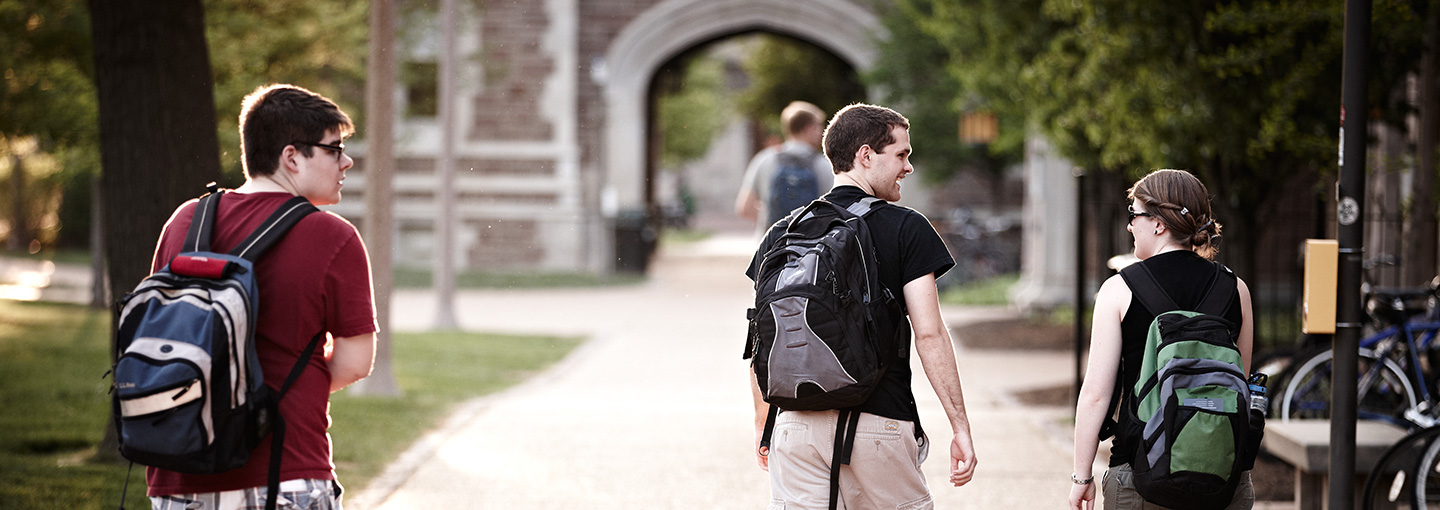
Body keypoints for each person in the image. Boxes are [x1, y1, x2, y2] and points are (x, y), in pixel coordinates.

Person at [145, 84, 378, 509]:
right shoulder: (333, 237)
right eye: (334, 149)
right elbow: (356, 363)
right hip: (284, 471)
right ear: (292, 156)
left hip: (179, 474)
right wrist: (264, 395)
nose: (346, 161)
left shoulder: (185, 221)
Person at [746, 103, 978, 509]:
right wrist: (959, 426)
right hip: (878, 423)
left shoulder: (783, 233)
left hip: (794, 427)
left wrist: (765, 425)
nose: (908, 167)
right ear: (866, 156)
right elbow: (929, 333)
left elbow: (761, 338)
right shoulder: (906, 227)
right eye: (902, 155)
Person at [1068, 169, 1255, 510]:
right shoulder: (1235, 288)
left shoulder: (1120, 289)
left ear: (1158, 223)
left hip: (1142, 474)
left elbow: (1096, 395)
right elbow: (1239, 382)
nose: (1129, 226)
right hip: (1223, 477)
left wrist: (1082, 476)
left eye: (1133, 215)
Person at [734, 100, 833, 235]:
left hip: (770, 248)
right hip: (811, 248)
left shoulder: (764, 159)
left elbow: (744, 208)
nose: (821, 133)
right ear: (809, 129)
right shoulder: (823, 164)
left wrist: (771, 224)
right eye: (819, 127)